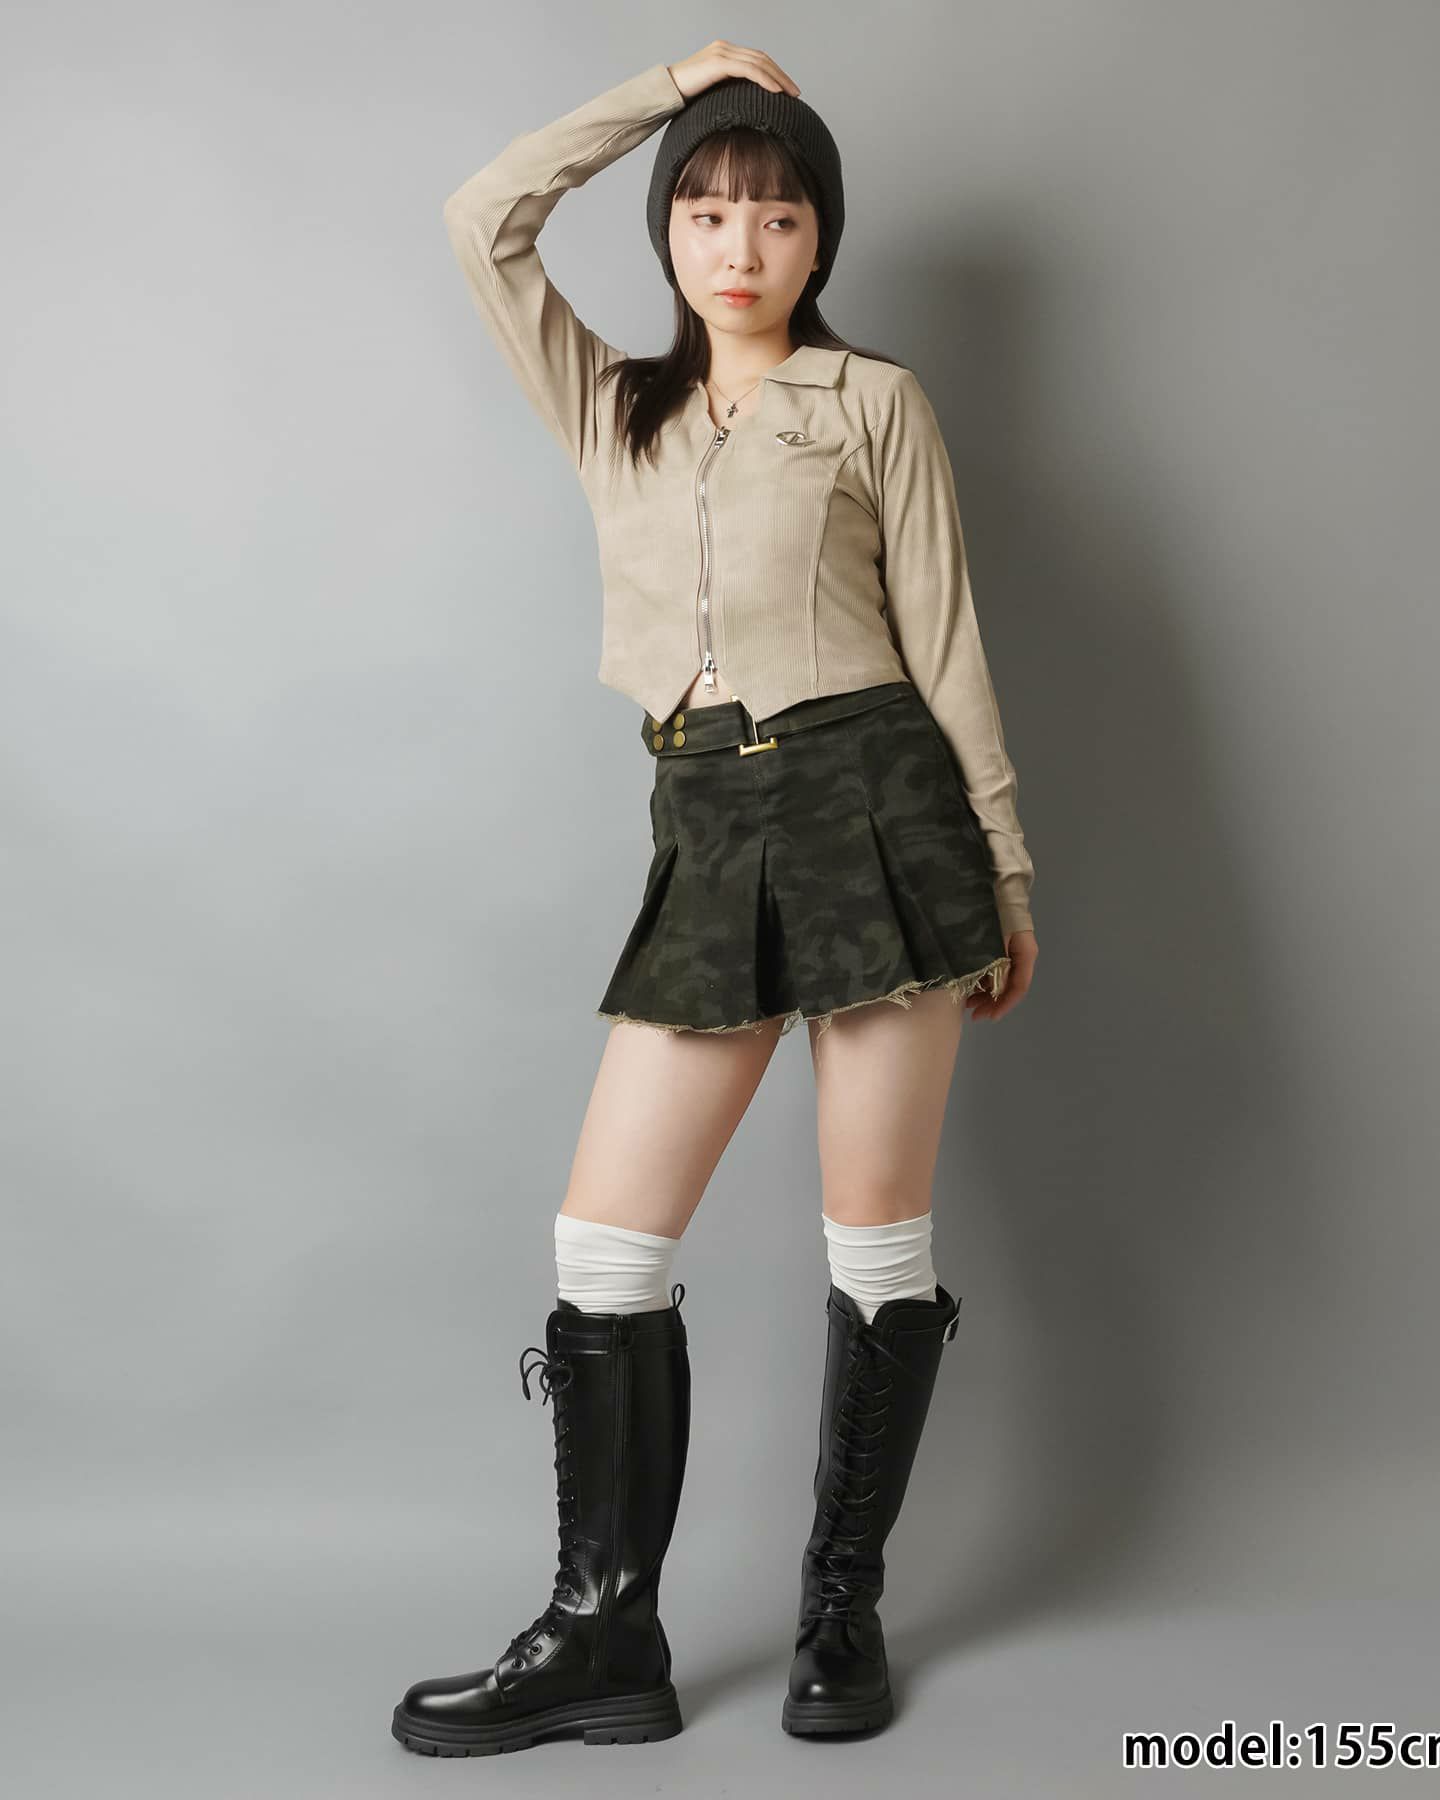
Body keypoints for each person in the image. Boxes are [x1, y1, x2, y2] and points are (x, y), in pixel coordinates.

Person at [390, 38, 1039, 1757]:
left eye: (776, 213)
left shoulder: (874, 402)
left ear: (822, 239)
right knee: (605, 1247)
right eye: (704, 209)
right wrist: (669, 87)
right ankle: (607, 1633)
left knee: (876, 1236)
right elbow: (483, 218)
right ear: (667, 232)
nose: (738, 244)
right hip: (702, 815)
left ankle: (843, 1609)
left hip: (880, 807)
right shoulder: (612, 404)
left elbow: (948, 646)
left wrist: (1005, 864)